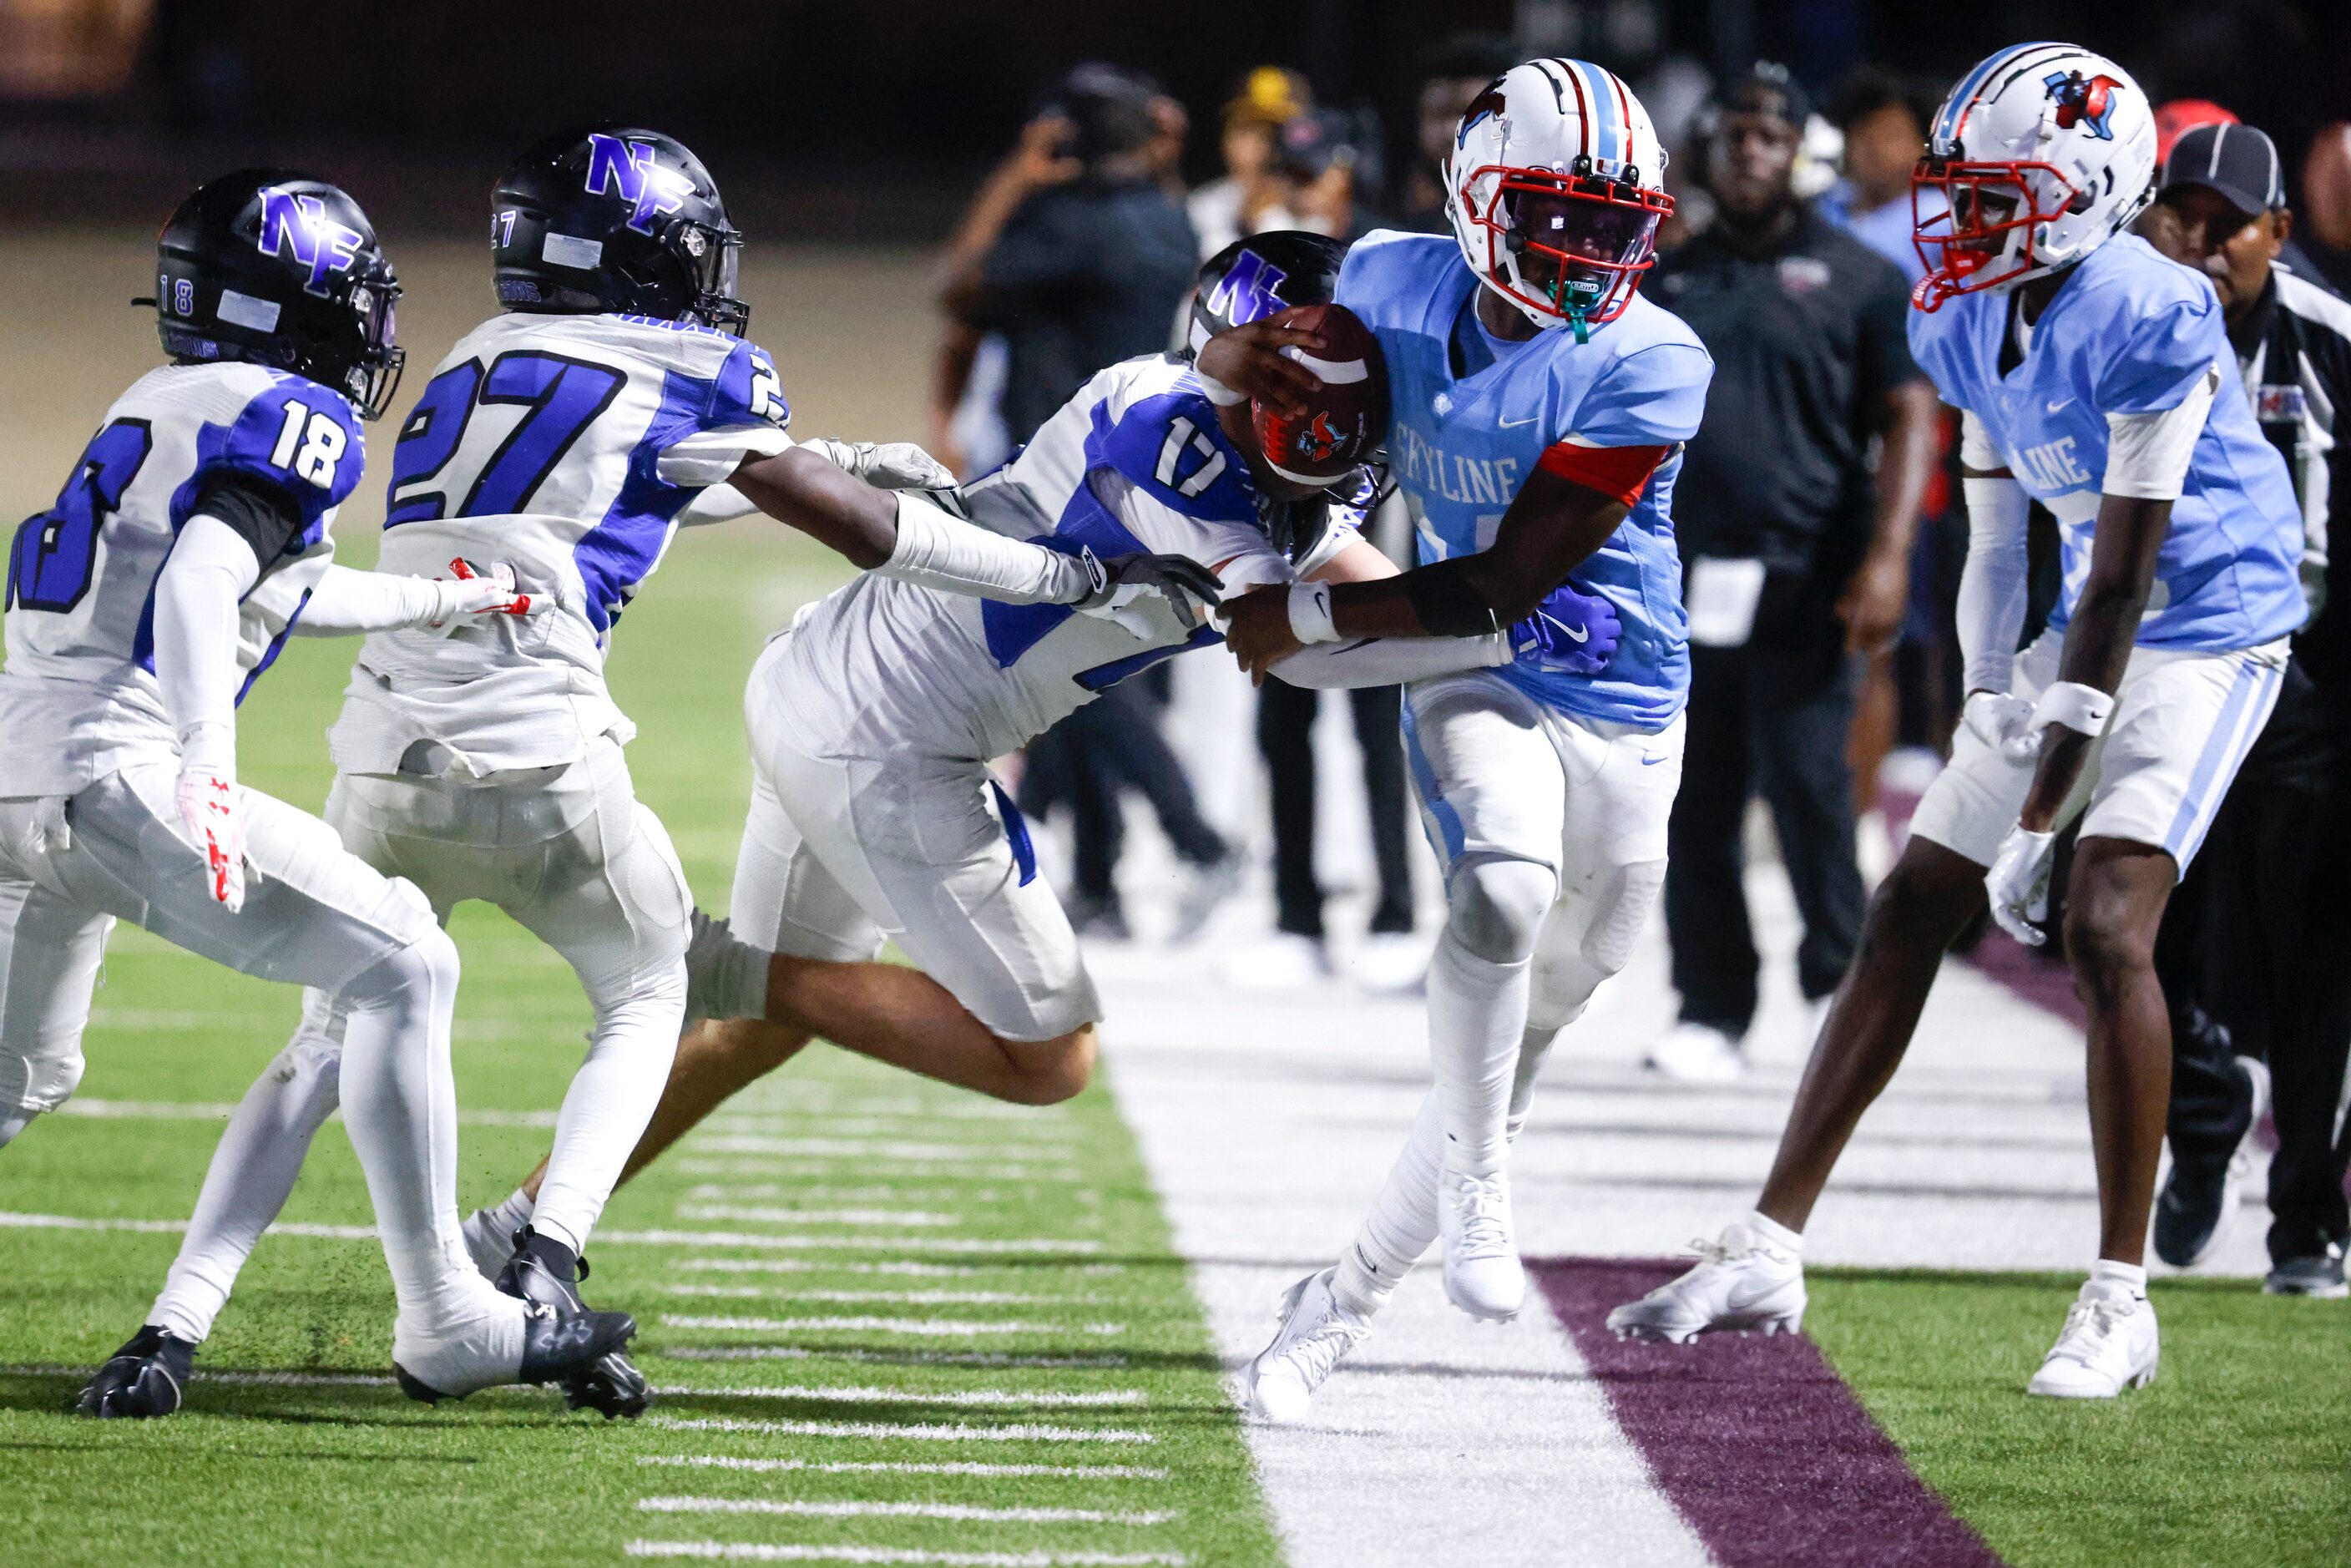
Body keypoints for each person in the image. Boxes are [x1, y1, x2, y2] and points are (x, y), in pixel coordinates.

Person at [80, 126, 1190, 1419]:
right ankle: (543, 1262)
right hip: (543, 761)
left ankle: (174, 1323)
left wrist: (819, 455)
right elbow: (876, 539)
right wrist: (1067, 575)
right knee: (654, 981)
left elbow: (616, 484)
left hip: (381, 753)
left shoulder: (474, 356)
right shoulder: (699, 362)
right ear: (651, 256)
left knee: (325, 1039)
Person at [455, 235, 1611, 1232]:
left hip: (834, 688)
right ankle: (716, 959)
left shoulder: (1258, 445)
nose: (1325, 416)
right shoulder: (1176, 437)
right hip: (893, 744)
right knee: (1047, 1055)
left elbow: (1360, 585)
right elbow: (1297, 639)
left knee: (767, 1020)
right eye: (1298, 381)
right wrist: (1504, 632)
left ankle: (523, 1226)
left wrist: (1491, 617)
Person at [1610, 46, 2307, 1399]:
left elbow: (2120, 574)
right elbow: (2001, 546)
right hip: (2100, 618)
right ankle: (1768, 1238)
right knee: (1909, 901)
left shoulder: (2152, 307)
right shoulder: (1963, 313)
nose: (1958, 217)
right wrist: (1994, 701)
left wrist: (2043, 809)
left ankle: (2120, 1297)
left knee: (2107, 921)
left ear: (2080, 193)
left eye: (1993, 194)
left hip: (2210, 619)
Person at [3, 169, 635, 1417]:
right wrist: (210, 769)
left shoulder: (163, 397)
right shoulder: (296, 410)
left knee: (16, 1078)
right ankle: (451, 1315)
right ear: (291, 305)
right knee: (406, 961)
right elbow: (198, 586)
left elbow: (261, 585)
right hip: (117, 772)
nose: (369, 326)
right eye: (349, 299)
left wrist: (443, 598)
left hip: (15, 773)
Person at [1211, 58, 1713, 1420]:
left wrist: (1304, 609)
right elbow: (1236, 345)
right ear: (1479, 199)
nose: (1596, 251)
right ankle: (1485, 1187)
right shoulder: (1380, 278)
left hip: (1609, 681)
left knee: (1532, 1022)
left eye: (1619, 226)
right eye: (1566, 215)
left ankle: (1336, 1297)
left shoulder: (1654, 357)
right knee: (1497, 886)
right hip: (1463, 666)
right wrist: (1265, 442)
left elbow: (1513, 578)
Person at [1641, 65, 1939, 1083]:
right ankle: (1709, 1007)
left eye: (1770, 136)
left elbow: (1907, 416)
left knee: (1813, 791)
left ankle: (1834, 994)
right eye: (1734, 137)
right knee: (1695, 802)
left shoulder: (1858, 276)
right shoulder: (1667, 275)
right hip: (1681, 579)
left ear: (1798, 148)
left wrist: (1889, 557)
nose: (1752, 153)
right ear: (1709, 151)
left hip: (1809, 575)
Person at [935, 63, 1227, 938]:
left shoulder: (1061, 227)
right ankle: (1098, 878)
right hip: (1134, 464)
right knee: (1067, 671)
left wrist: (1016, 175)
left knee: (1077, 662)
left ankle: (1198, 841)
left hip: (1056, 471)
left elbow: (957, 288)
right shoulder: (1169, 223)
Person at [2141, 121, 2351, 1298]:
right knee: (2127, 928)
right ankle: (2205, 1102)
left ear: (2283, 228)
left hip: (2308, 688)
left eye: (2234, 223)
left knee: (2320, 960)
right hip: (2167, 666)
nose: (2207, 244)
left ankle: (2308, 1221)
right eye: (2186, 217)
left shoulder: (2328, 339)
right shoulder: (2122, 330)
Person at [1187, 67, 1313, 258]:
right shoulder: (1208, 203)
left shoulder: (1311, 200)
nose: (1263, 146)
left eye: (1273, 135)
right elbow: (1221, 274)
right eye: (1250, 132)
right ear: (1227, 140)